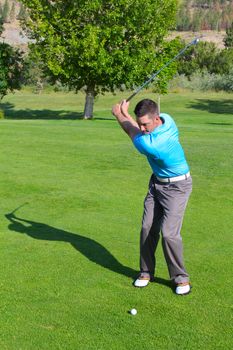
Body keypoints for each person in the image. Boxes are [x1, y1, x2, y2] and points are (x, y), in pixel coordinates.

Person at [112, 98, 192, 295]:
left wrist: (119, 114)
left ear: (156, 119)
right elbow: (136, 127)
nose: (143, 128)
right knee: (147, 227)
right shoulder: (168, 120)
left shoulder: (154, 144)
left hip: (178, 187)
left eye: (146, 124)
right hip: (156, 184)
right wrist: (127, 114)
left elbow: (131, 131)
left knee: (169, 233)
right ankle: (146, 272)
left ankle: (181, 279)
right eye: (140, 123)